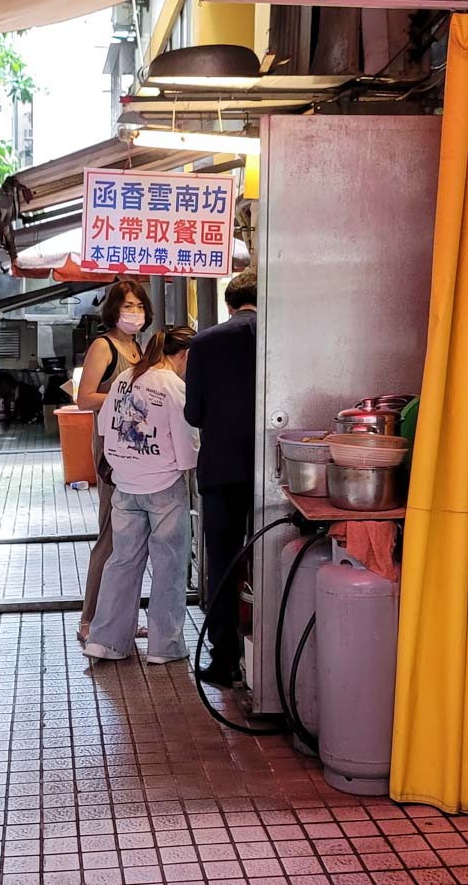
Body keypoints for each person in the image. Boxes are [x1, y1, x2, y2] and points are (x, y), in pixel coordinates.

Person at [84, 326, 199, 664]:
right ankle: (165, 647)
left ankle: (105, 640)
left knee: (122, 562)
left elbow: (105, 427)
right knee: (169, 566)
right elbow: (186, 446)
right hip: (163, 487)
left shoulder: (125, 378)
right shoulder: (174, 387)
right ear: (185, 354)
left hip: (125, 485)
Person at [183, 270, 258, 687]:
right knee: (275, 554)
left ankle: (226, 659)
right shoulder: (280, 336)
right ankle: (270, 654)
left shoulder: (205, 342)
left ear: (228, 304)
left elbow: (193, 414)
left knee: (224, 560)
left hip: (223, 468)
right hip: (275, 468)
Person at [75, 278, 151, 643]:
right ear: (113, 311)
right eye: (127, 306)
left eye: (138, 307)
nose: (134, 313)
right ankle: (89, 618)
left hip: (139, 450)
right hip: (113, 451)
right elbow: (84, 398)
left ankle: (121, 616)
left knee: (133, 538)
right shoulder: (103, 347)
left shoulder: (138, 348)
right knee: (110, 533)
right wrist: (127, 396)